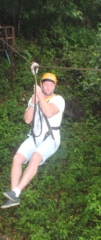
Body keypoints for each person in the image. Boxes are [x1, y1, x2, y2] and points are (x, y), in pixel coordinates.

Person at [1, 72, 65, 209]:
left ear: (54, 87)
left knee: (35, 156)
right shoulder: (35, 98)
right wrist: (33, 102)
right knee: (17, 158)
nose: (48, 87)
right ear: (41, 85)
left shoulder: (58, 99)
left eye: (51, 84)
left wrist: (40, 97)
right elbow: (27, 119)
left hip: (50, 138)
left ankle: (17, 191)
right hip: (35, 136)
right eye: (45, 84)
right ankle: (13, 195)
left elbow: (48, 112)